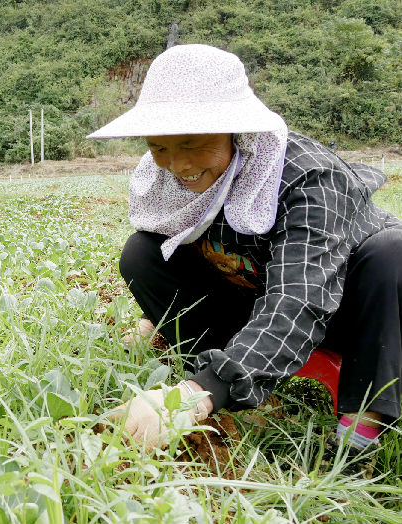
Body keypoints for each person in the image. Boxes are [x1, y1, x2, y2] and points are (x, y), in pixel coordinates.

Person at [87, 45, 402, 463]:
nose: (178, 165)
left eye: (190, 142)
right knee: (142, 254)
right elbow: (185, 248)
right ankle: (238, 386)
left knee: (392, 251)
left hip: (349, 310)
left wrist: (197, 396)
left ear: (237, 129)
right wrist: (152, 322)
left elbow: (299, 295)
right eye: (160, 147)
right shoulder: (171, 181)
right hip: (257, 294)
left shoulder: (307, 176)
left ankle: (361, 429)